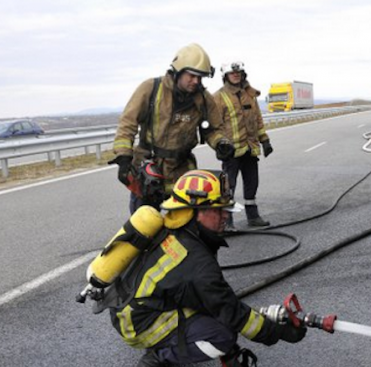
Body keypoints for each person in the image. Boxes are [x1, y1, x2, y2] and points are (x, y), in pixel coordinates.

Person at [109, 169, 307, 367]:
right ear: (193, 212)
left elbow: (215, 301)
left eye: (226, 210)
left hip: (131, 306)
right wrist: (278, 332)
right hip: (137, 323)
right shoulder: (197, 261)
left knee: (215, 313)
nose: (225, 216)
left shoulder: (175, 229)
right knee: (222, 335)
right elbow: (231, 311)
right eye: (217, 210)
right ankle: (158, 359)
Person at [110, 43, 234, 214]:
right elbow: (127, 123)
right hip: (149, 169)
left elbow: (213, 129)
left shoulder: (204, 98)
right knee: (145, 226)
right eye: (192, 76)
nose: (196, 81)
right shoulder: (151, 89)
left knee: (184, 227)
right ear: (178, 71)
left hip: (182, 169)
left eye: (200, 77)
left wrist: (221, 143)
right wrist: (124, 156)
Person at [213, 61, 273, 228]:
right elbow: (214, 125)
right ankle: (227, 221)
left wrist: (265, 141)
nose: (236, 75)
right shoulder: (218, 97)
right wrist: (220, 144)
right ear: (225, 76)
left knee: (252, 182)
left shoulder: (249, 94)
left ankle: (253, 216)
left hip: (250, 148)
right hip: (231, 151)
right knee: (228, 187)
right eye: (232, 73)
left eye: (238, 73)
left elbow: (258, 120)